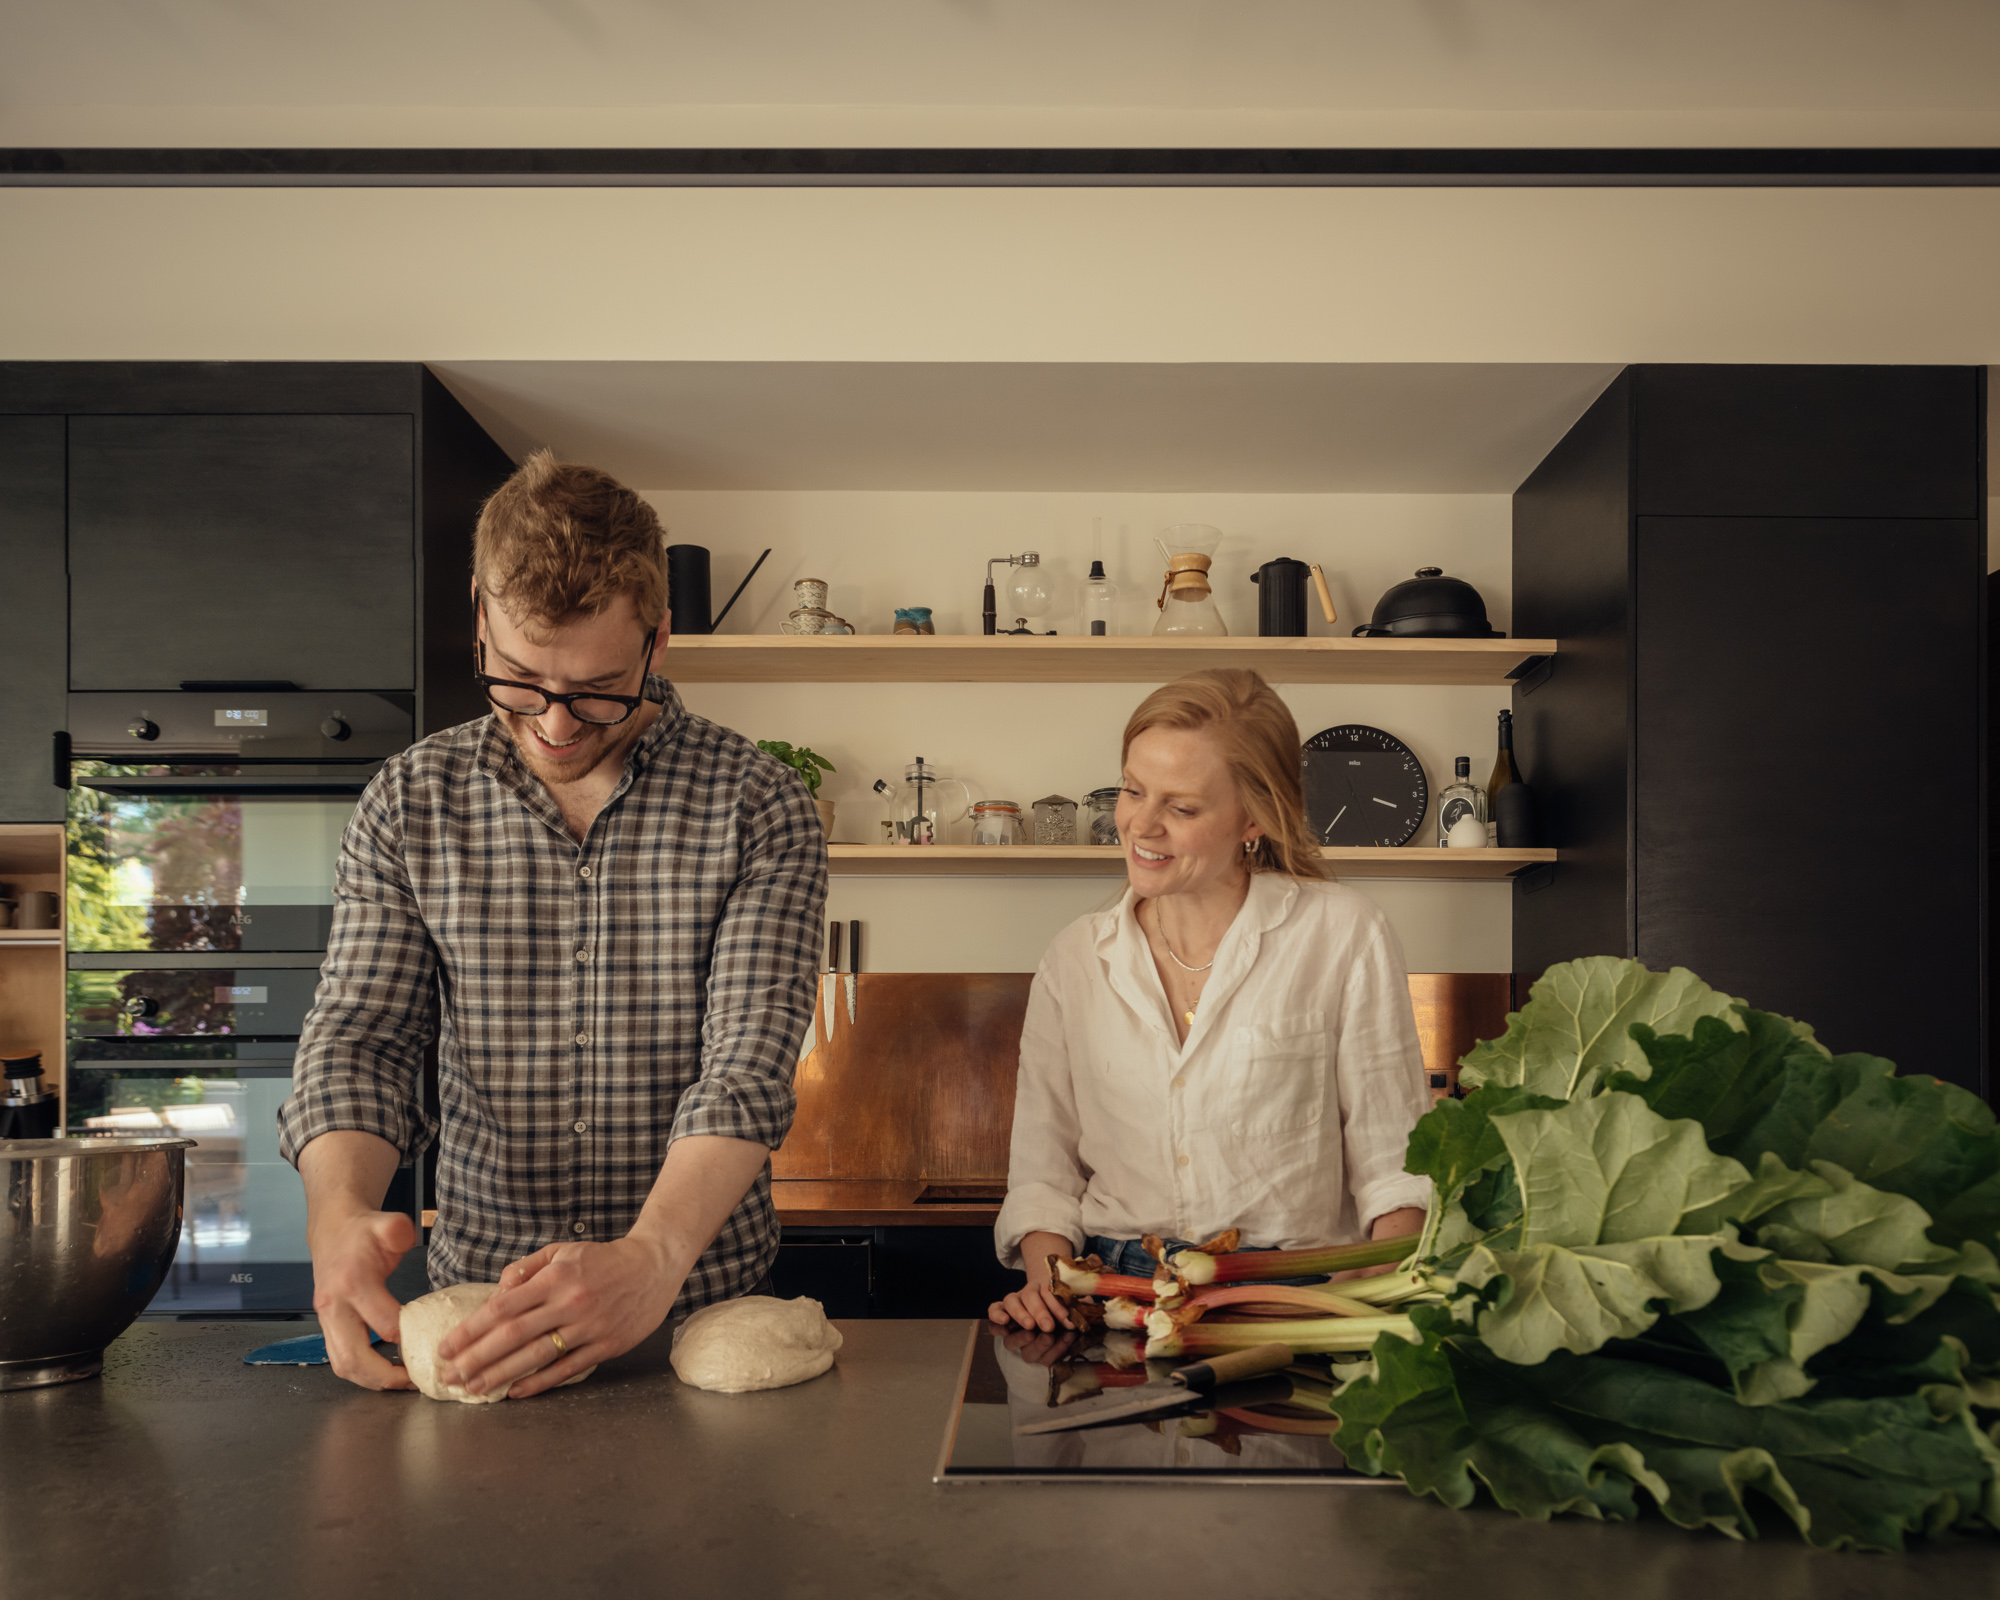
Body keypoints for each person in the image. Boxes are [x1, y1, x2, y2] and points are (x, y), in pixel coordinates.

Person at [279, 451, 826, 1396]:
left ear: (659, 641)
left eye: (598, 688)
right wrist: (338, 1215)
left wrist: (651, 1258)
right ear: (483, 624)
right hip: (483, 1314)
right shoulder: (409, 802)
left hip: (698, 1308)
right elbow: (364, 1039)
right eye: (522, 681)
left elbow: (745, 1064)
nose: (558, 725)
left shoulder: (759, 803)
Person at [988, 668, 1431, 1331]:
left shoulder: (1343, 932)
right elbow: (1043, 1171)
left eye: (1182, 807)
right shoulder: (1075, 957)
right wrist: (1048, 1282)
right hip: (1114, 1297)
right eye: (1134, 790)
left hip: (1295, 1291)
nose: (1141, 824)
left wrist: (1370, 1276)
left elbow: (1393, 1158)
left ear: (1254, 817)